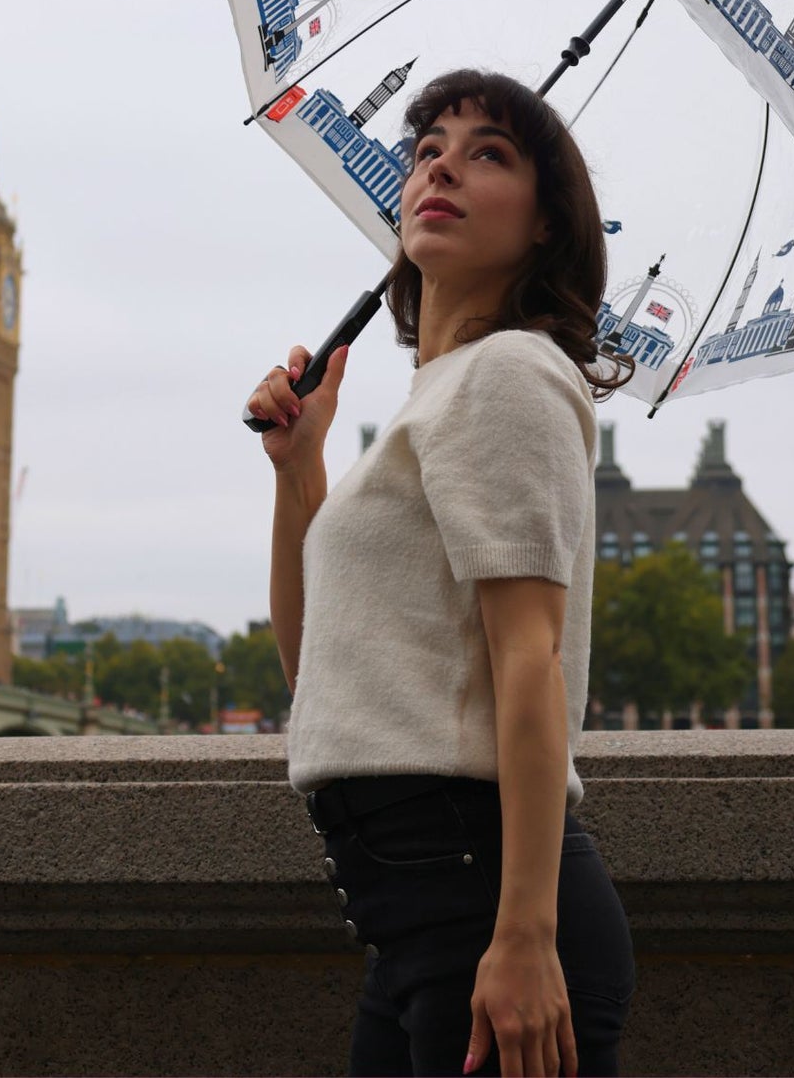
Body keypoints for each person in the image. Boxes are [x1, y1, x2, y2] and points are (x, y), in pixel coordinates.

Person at [248, 67, 636, 1077]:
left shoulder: (508, 374)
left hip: (479, 905)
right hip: (417, 921)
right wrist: (300, 476)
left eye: (487, 153)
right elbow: (320, 677)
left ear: (545, 225)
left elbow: (529, 660)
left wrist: (523, 938)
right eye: (427, 150)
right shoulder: (435, 400)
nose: (441, 168)